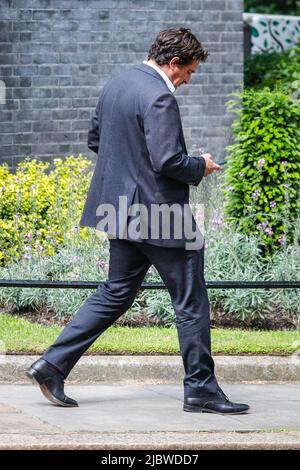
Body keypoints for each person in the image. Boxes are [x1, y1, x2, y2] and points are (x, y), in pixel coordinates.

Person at [26, 28, 249, 415]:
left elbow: (97, 140)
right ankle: (201, 390)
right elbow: (168, 162)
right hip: (159, 215)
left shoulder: (118, 84)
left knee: (115, 292)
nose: (188, 81)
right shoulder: (160, 95)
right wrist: (202, 165)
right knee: (191, 300)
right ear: (174, 62)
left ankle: (52, 365)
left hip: (120, 210)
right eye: (189, 72)